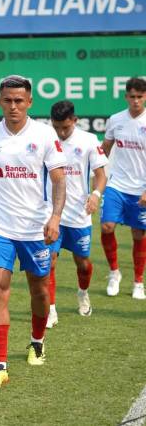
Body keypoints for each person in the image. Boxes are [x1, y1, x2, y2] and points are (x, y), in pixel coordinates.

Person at [0, 75, 66, 388]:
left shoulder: (43, 135)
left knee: (39, 289)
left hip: (35, 227)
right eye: (7, 100)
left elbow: (58, 179)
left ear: (29, 102)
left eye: (19, 101)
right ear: (0, 101)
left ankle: (37, 341)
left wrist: (55, 217)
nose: (13, 106)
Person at [45, 101, 108, 328]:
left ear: (74, 120)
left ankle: (83, 293)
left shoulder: (88, 140)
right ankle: (51, 309)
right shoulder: (45, 138)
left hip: (79, 215)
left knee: (82, 263)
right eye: (57, 127)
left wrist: (96, 194)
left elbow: (101, 175)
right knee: (49, 261)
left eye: (65, 128)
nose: (61, 133)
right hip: (51, 215)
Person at [100, 77, 146, 299]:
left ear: (145, 97)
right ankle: (114, 272)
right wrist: (97, 177)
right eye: (132, 96)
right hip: (116, 184)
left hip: (141, 189)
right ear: (126, 96)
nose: (136, 101)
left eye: (140, 96)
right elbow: (105, 148)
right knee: (107, 227)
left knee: (138, 234)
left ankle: (138, 281)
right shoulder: (116, 120)